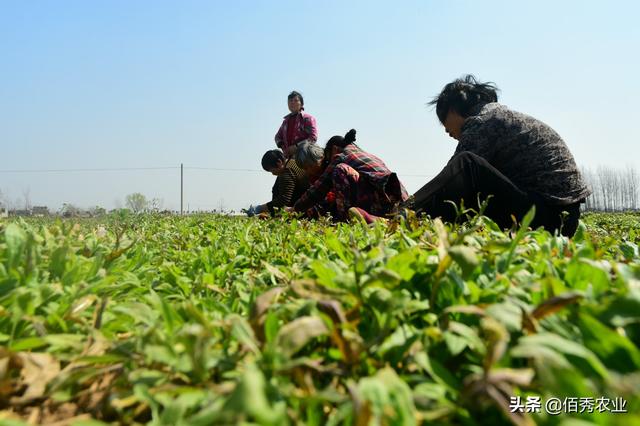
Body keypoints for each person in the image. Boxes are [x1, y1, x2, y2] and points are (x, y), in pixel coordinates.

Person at [408, 75, 591, 237]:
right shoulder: (498, 117)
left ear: (453, 109)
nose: (446, 130)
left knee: (467, 163)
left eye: (444, 121)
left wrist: (408, 208)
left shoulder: (484, 122)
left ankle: (400, 217)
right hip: (559, 217)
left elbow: (452, 179)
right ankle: (414, 218)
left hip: (548, 218)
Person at [292, 130, 408, 222]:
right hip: (399, 200)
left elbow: (318, 190)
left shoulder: (340, 157)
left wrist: (294, 209)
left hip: (383, 199)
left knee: (339, 170)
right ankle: (380, 220)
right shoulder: (365, 154)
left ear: (334, 149)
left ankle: (345, 220)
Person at [248, 149, 309, 216]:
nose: (273, 174)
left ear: (279, 162)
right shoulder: (292, 162)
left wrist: (260, 208)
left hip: (304, 205)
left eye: (272, 170)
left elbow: (284, 200)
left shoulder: (287, 172)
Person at [275, 91, 318, 158]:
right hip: (289, 158)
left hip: (305, 158)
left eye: (296, 100)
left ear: (301, 104)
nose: (292, 102)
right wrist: (283, 147)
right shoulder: (285, 122)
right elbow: (277, 137)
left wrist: (296, 147)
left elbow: (313, 138)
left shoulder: (308, 119)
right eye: (290, 101)